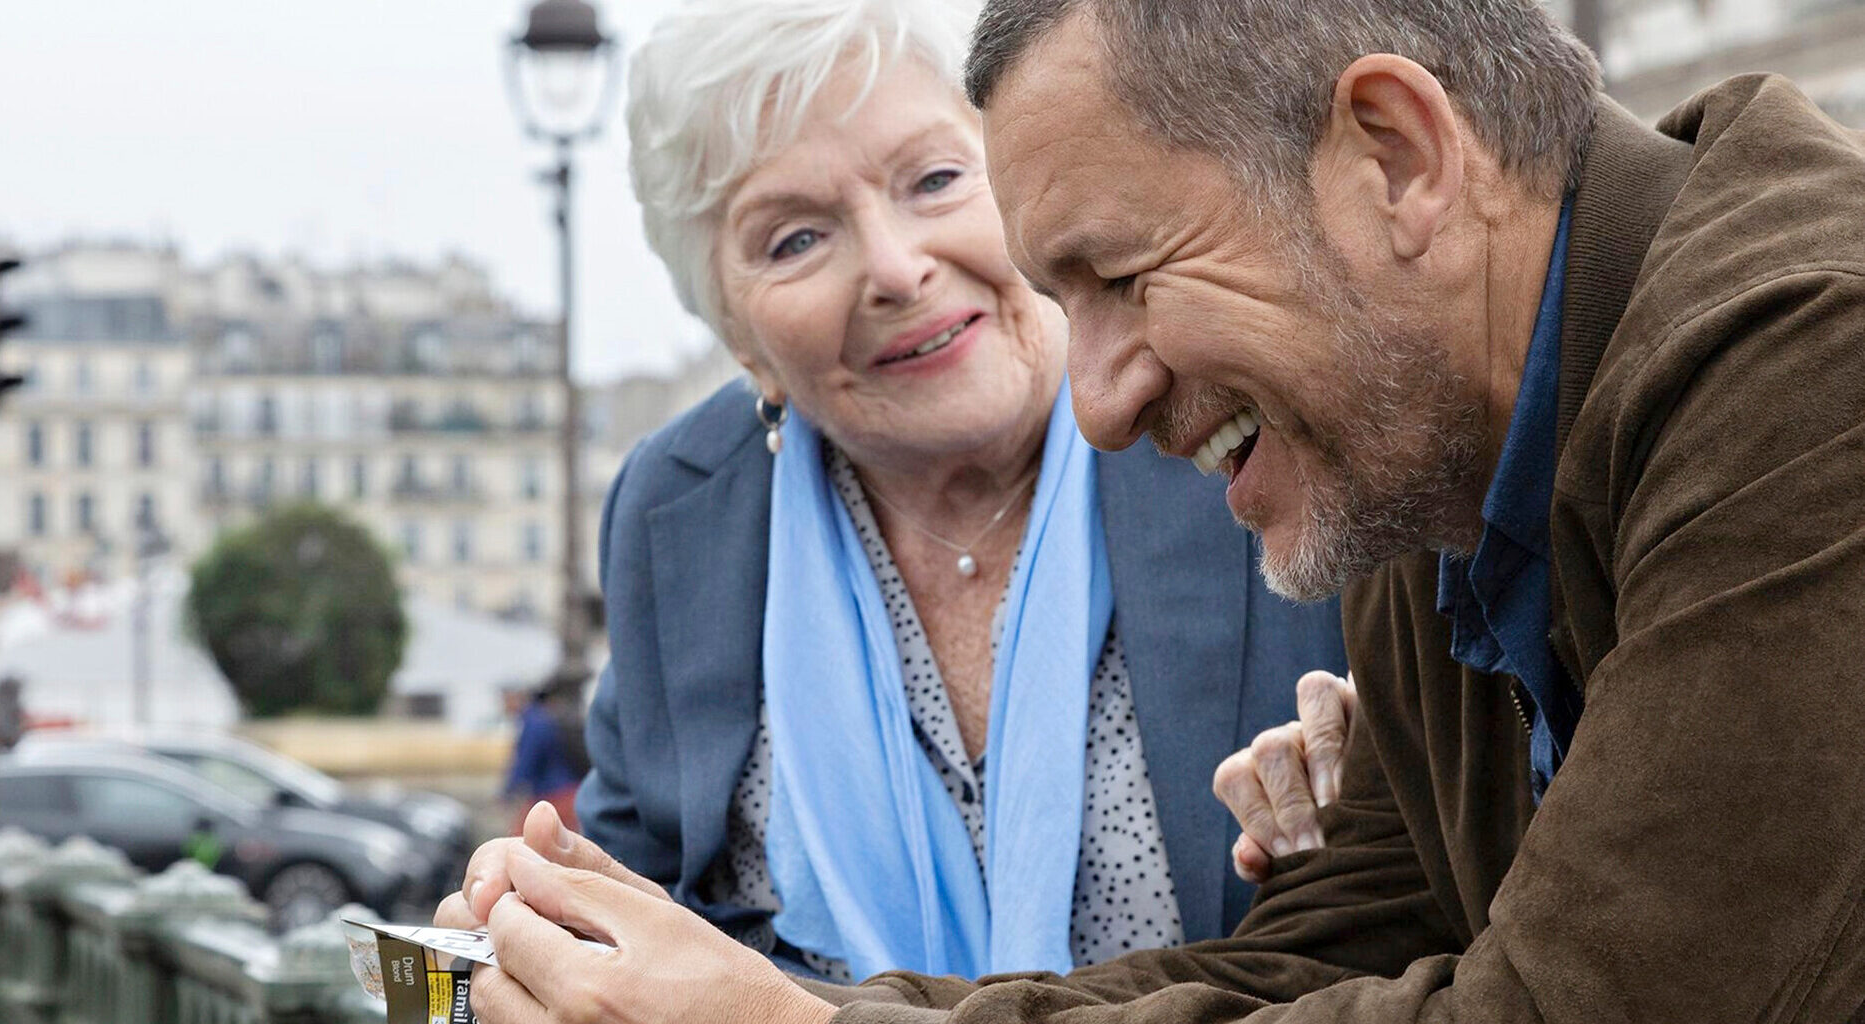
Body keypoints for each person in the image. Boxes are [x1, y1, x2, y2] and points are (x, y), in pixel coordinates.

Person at [441, 0, 1865, 1018]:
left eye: (1119, 277)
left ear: (1395, 156)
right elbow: (1307, 960)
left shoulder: (1815, 368)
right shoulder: (1414, 439)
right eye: (796, 234)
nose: (1099, 402)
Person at [523, 0, 1341, 988]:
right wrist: (532, 944)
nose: (897, 267)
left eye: (936, 180)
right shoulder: (679, 507)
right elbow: (637, 901)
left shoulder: (1221, 398)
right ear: (742, 342)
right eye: (792, 240)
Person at [499, 675, 589, 833]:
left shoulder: (533, 722)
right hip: (569, 791)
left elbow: (526, 760)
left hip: (554, 794)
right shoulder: (543, 717)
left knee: (522, 840)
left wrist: (508, 790)